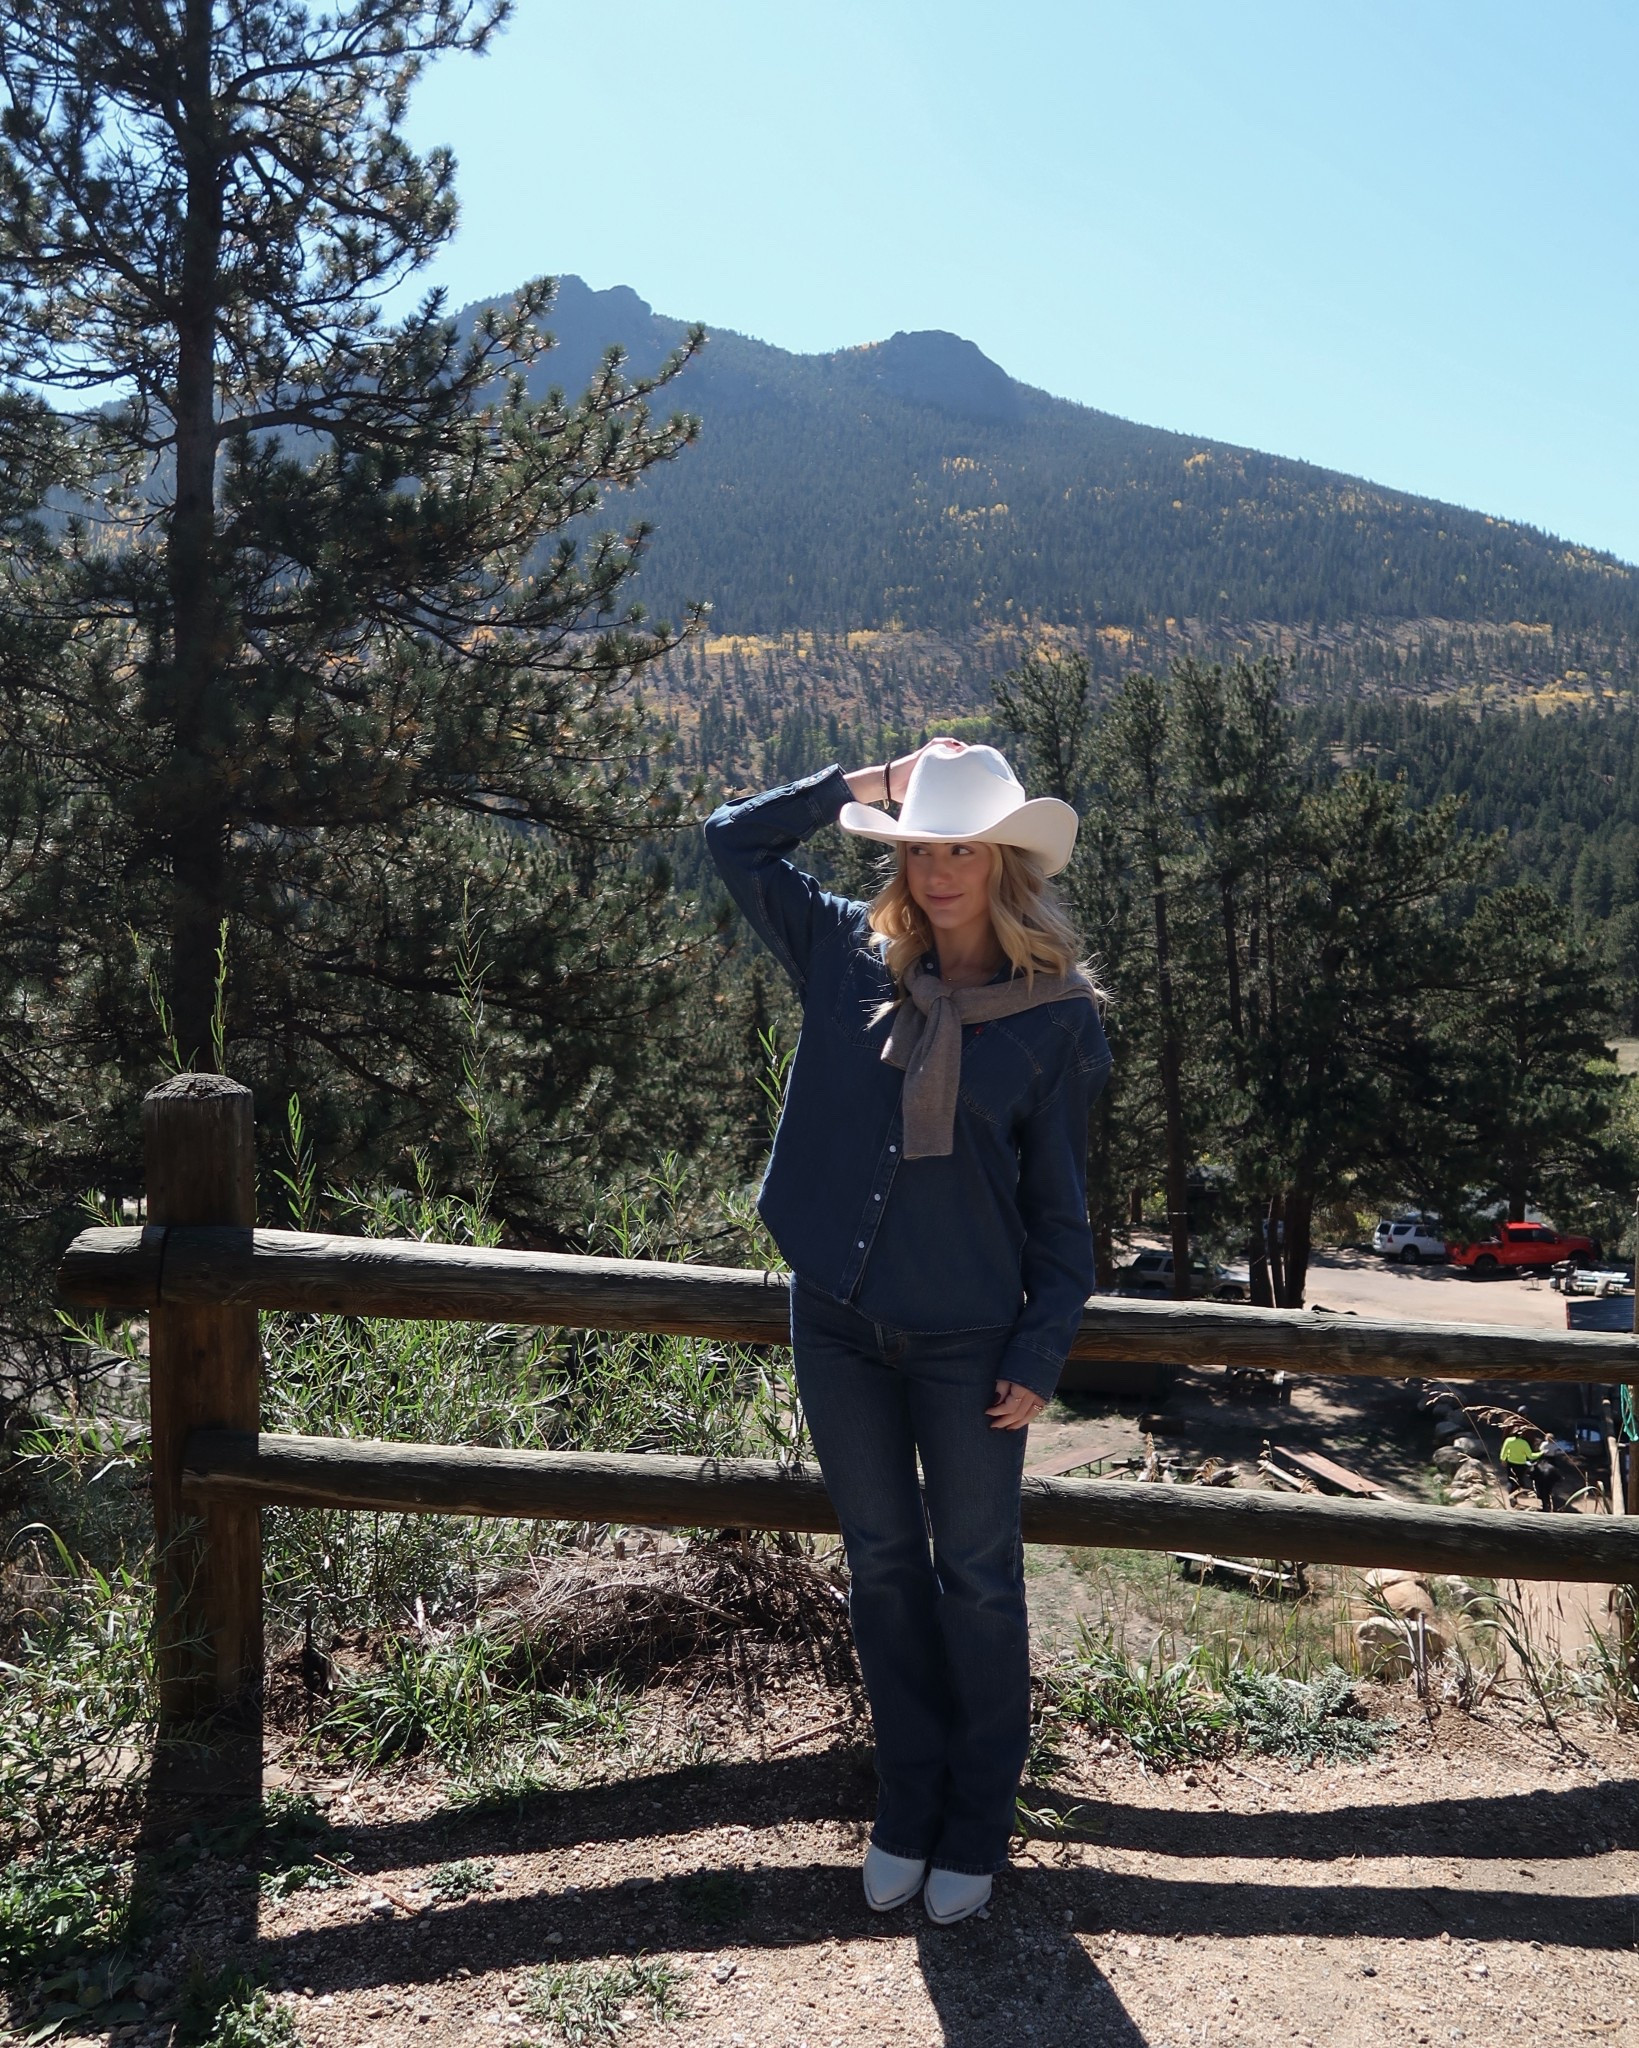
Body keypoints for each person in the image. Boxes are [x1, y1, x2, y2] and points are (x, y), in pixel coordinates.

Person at [705, 739, 1111, 1927]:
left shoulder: (1056, 1020)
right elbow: (731, 837)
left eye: (961, 848)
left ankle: (979, 1813)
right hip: (834, 1319)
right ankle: (907, 1802)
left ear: (1002, 865)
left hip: (972, 1341)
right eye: (920, 845)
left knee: (975, 1577)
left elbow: (1062, 1208)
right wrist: (867, 782)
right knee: (881, 1565)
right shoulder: (845, 953)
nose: (938, 870)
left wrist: (1040, 1351)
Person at [1499, 1429, 1539, 1498]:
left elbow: (1504, 1451)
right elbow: (1530, 1456)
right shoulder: (1524, 1443)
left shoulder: (1508, 1440)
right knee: (1520, 1479)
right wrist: (1540, 1453)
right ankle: (1520, 1495)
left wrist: (1503, 1460)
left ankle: (1510, 1495)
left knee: (1511, 1479)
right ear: (1521, 1435)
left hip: (1511, 1463)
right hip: (1521, 1465)